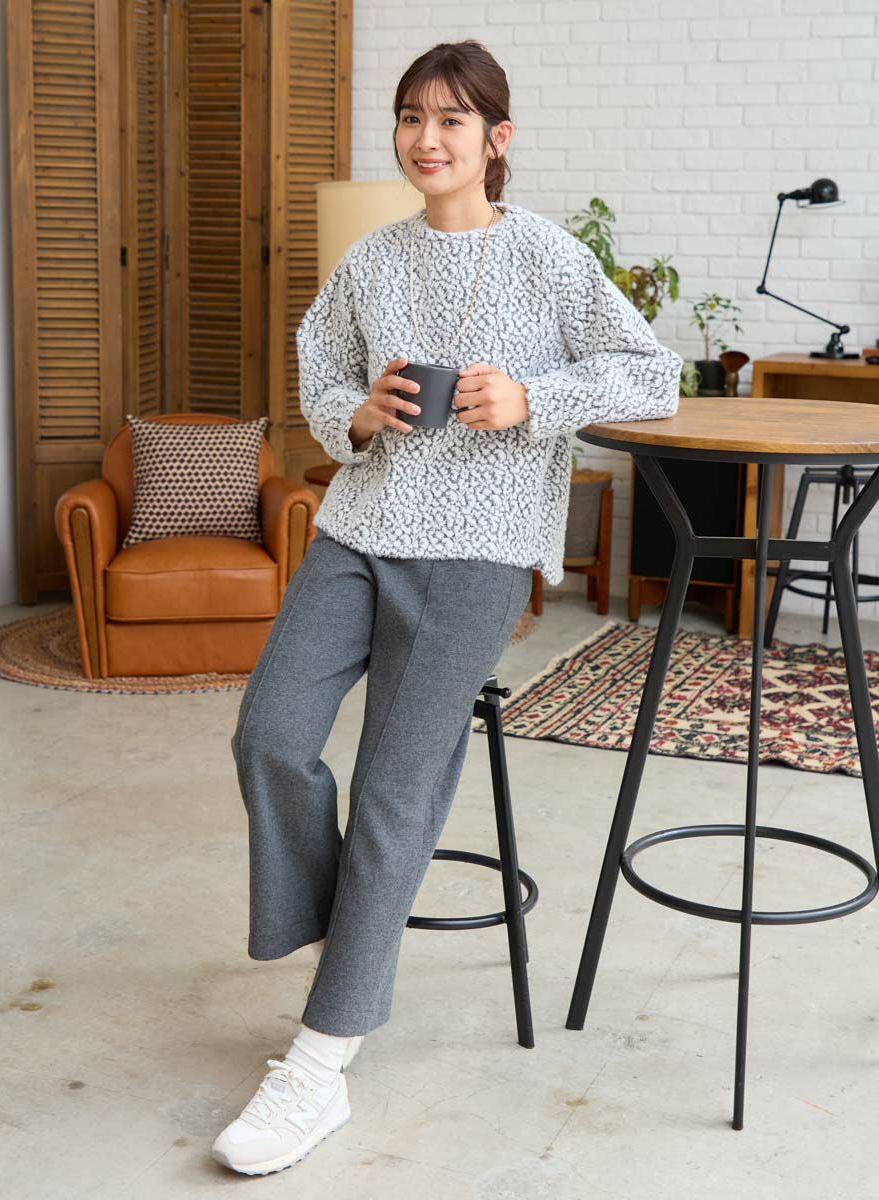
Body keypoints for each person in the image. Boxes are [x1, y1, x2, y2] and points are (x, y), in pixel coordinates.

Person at [212, 39, 682, 1176]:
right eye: (412, 117)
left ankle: (321, 1060)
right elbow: (318, 369)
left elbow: (653, 373)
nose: (427, 139)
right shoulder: (372, 261)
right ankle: (342, 940)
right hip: (359, 532)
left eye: (452, 120)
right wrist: (356, 415)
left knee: (393, 793)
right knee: (268, 733)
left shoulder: (548, 255)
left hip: (477, 554)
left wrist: (532, 398)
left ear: (495, 139)